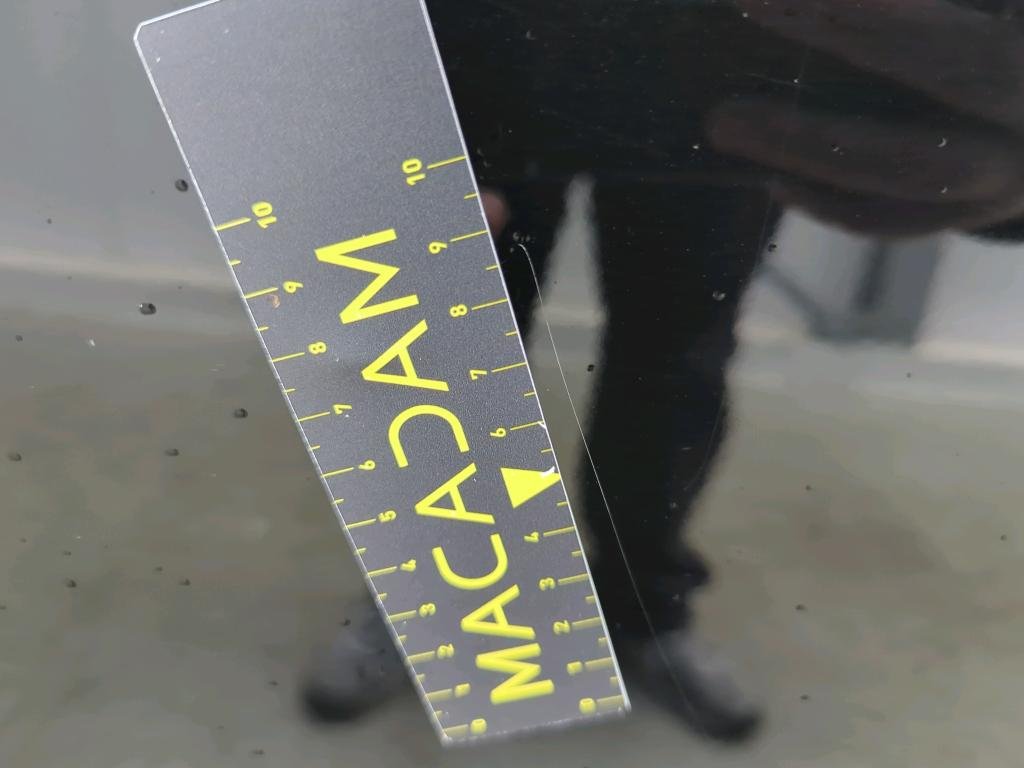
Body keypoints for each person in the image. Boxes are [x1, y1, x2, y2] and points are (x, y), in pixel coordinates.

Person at [303, 0, 1024, 742]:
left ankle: (644, 610)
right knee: (445, 365)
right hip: (476, 64)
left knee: (675, 365)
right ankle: (424, 600)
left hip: (718, 83)